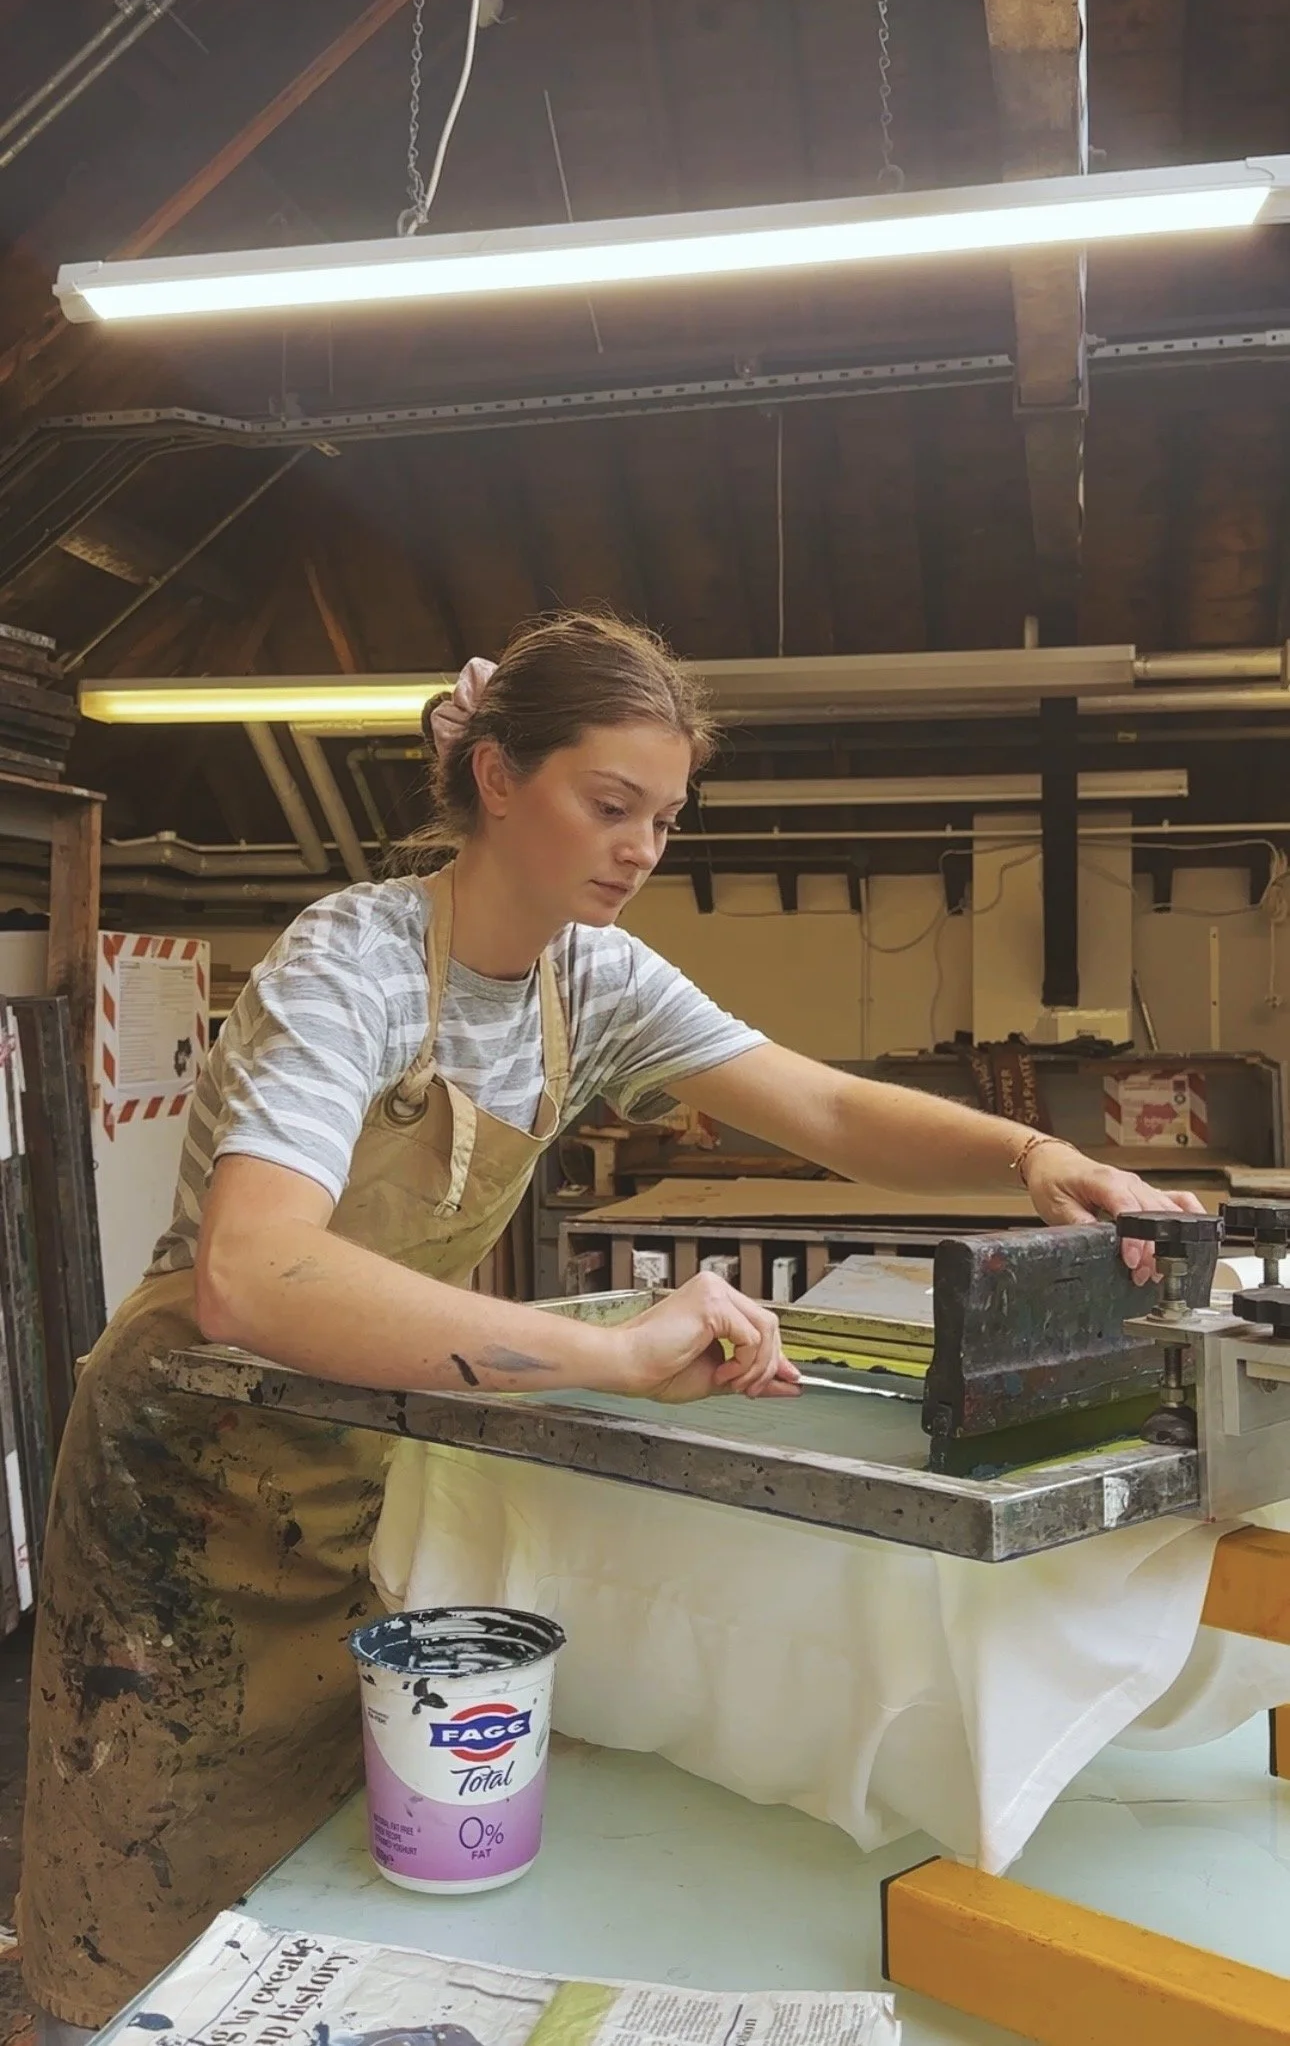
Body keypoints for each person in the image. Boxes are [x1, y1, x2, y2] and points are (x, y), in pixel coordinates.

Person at [20, 611, 1199, 2036]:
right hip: (186, 1481)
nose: (640, 847)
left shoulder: (595, 980)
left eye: (665, 816)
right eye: (610, 803)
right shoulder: (357, 962)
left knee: (327, 1878)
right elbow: (254, 1278)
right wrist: (611, 1349)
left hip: (349, 1459)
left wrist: (1027, 1159)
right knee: (141, 1896)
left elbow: (819, 1106)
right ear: (500, 775)